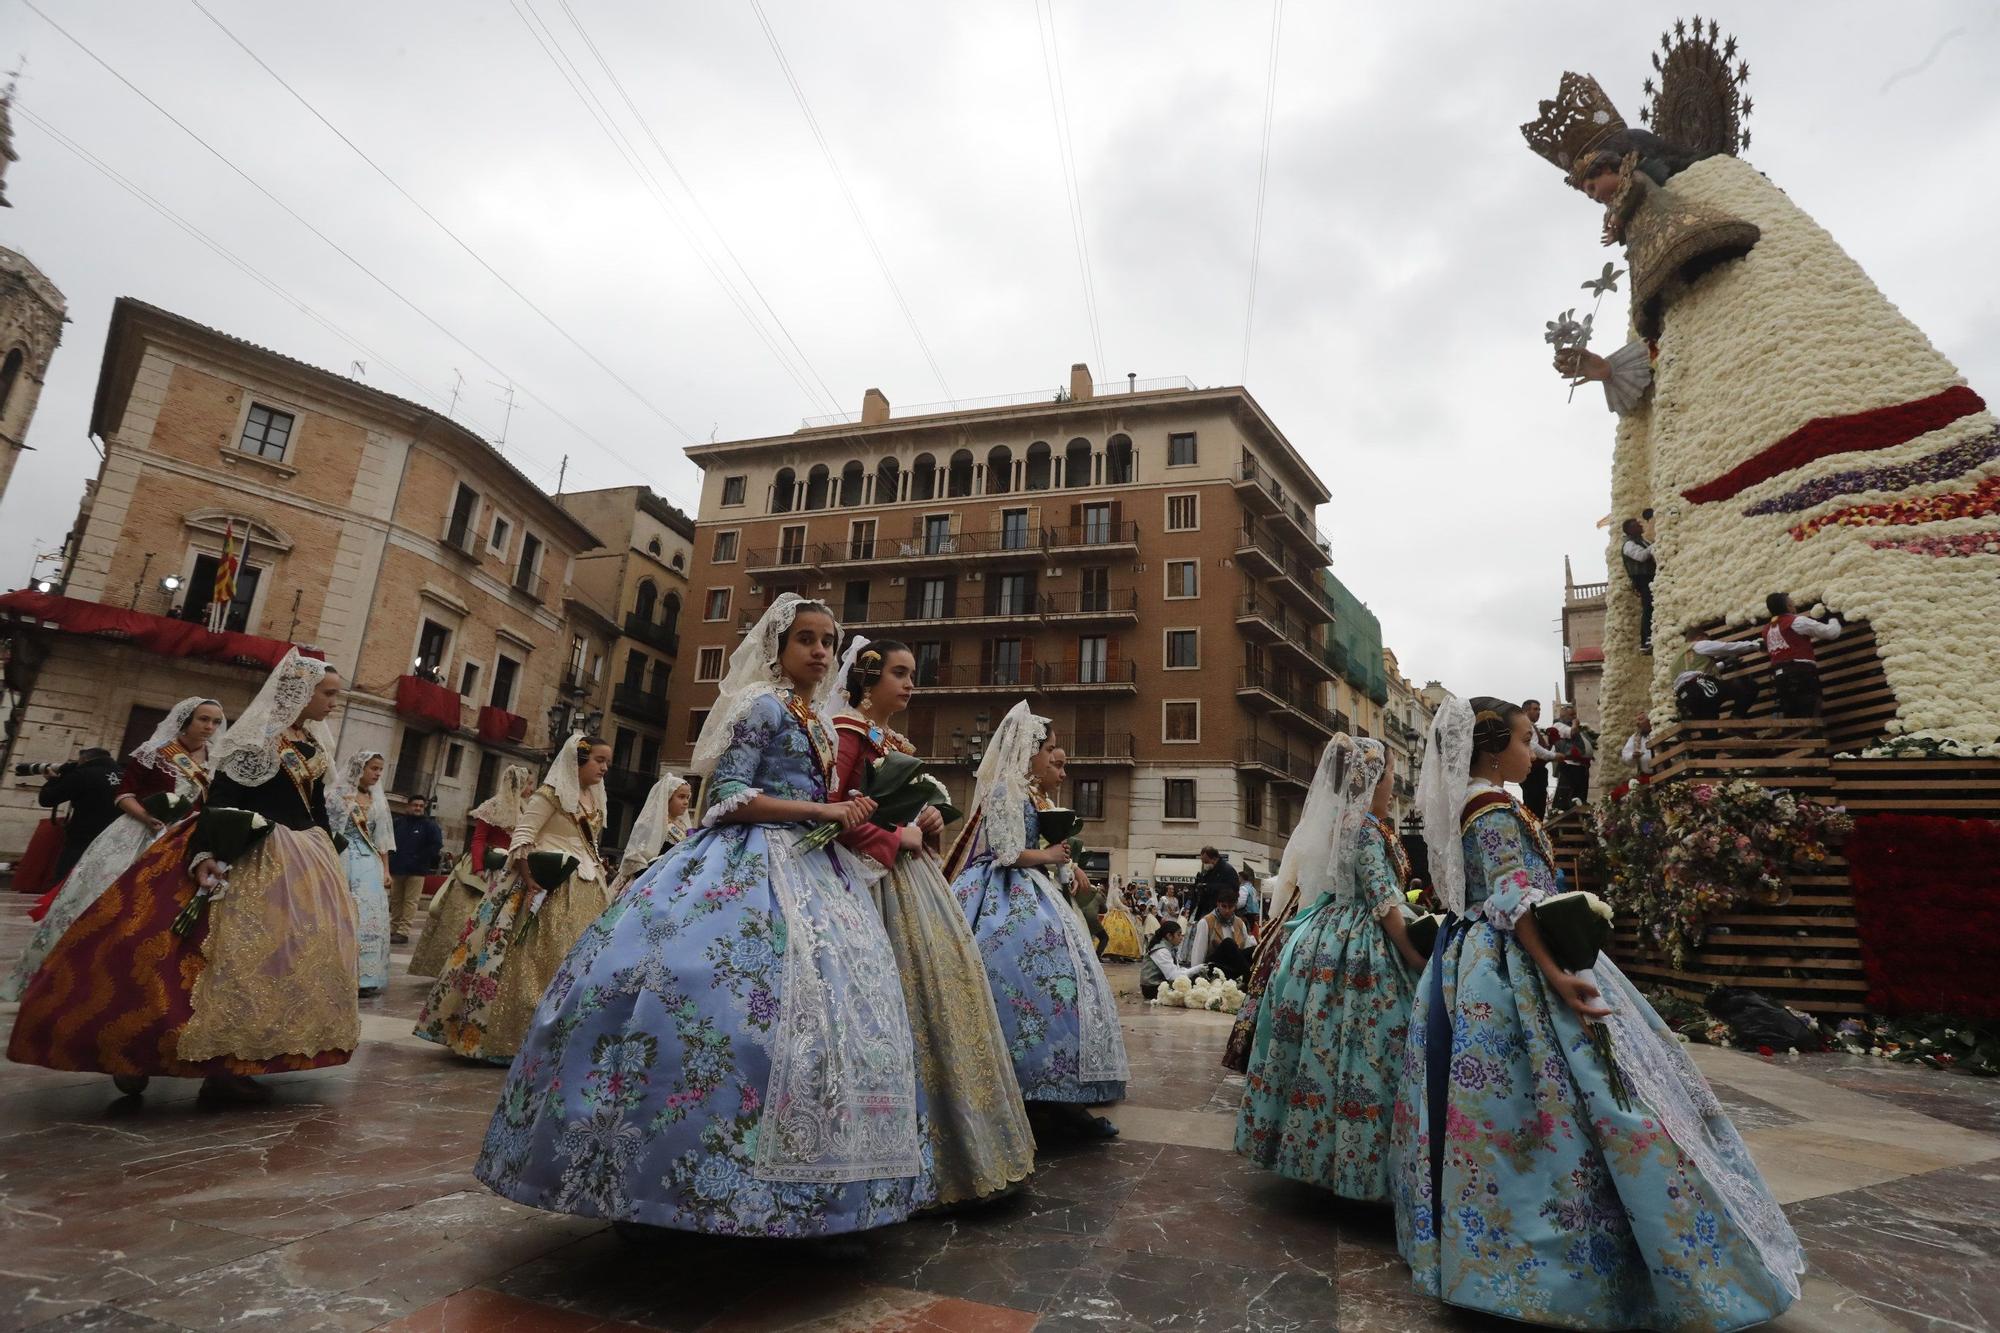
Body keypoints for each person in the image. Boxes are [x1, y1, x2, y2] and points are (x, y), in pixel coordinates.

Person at [475, 594, 933, 1236]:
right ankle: (658, 1182)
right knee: (710, 999)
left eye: (828, 641)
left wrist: (857, 810)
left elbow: (821, 795)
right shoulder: (761, 705)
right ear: (777, 647)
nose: (820, 651)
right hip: (744, 864)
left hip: (816, 875)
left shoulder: (820, 722)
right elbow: (730, 796)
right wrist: (823, 813)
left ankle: (820, 1185)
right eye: (806, 639)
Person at [1391, 694, 1804, 1328]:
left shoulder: (1474, 807)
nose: (1536, 752)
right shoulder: (1493, 806)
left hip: (1473, 965)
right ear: (1493, 748)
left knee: (1516, 1111)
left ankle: (1494, 1258)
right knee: (1597, 1097)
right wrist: (1558, 971)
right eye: (1527, 740)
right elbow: (1513, 897)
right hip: (1514, 962)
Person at [9, 651, 359, 1106]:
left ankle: (242, 1057)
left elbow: (312, 807)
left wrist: (328, 849)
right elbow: (225, 797)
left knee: (278, 960)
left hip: (300, 858)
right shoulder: (254, 741)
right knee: (196, 956)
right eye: (328, 693)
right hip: (248, 853)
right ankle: (135, 1049)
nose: (336, 701)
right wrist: (209, 852)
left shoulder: (311, 744)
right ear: (300, 693)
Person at [830, 636, 1036, 1208]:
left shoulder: (895, 741)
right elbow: (832, 813)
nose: (910, 683)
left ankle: (960, 1147)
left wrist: (927, 820)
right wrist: (897, 835)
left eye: (913, 674)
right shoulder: (846, 735)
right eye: (900, 673)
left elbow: (914, 810)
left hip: (913, 879)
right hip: (870, 885)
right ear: (867, 680)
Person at [1236, 736, 1423, 1199]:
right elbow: (1383, 902)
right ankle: (1355, 1165)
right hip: (1361, 944)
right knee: (1369, 1045)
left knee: (1329, 1046)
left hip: (1329, 934)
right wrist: (1418, 957)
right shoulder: (1361, 826)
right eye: (1390, 774)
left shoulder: (1359, 823)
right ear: (1373, 778)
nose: (1393, 784)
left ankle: (1320, 1154)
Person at [947, 701, 1128, 1140]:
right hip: (1003, 894)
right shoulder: (1007, 788)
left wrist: (1067, 865)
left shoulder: (1036, 795)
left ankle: (1061, 1091)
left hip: (1035, 890)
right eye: (1048, 748)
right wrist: (1048, 856)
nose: (1054, 757)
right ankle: (1029, 1091)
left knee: (1064, 982)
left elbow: (1051, 845)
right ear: (1028, 750)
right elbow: (1006, 851)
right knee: (1030, 981)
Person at [5, 698, 225, 1001]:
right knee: (102, 902)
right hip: (137, 834)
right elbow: (124, 794)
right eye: (203, 719)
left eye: (215, 722)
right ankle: (60, 978)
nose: (209, 727)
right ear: (186, 720)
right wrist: (147, 817)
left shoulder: (214, 761)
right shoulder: (154, 751)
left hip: (181, 840)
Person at [415, 734, 613, 1064]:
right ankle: (510, 1035)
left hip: (585, 886)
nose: (605, 767)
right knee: (531, 959)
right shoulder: (551, 794)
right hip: (547, 883)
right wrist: (529, 877)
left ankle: (563, 1036)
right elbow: (523, 835)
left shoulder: (593, 798)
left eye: (607, 761)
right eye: (599, 760)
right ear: (578, 760)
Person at [410, 764, 535, 977]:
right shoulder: (492, 806)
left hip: (512, 869)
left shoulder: (526, 809)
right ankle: (452, 969)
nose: (532, 788)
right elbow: (478, 840)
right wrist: (478, 867)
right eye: (530, 783)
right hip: (487, 868)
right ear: (519, 784)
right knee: (465, 918)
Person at [333, 750, 396, 994]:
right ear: (359, 767)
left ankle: (366, 976)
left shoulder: (378, 800)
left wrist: (386, 869)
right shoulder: (340, 795)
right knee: (345, 912)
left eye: (380, 769)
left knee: (371, 915)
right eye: (373, 768)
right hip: (342, 857)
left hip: (370, 863)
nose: (377, 774)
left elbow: (382, 838)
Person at [34, 745, 123, 886]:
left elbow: (47, 799)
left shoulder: (83, 774)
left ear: (85, 759)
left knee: (66, 877)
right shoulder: (124, 774)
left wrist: (52, 780)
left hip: (83, 834)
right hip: (117, 835)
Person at [1764, 593, 1842, 720]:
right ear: (1789, 606)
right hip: (1800, 673)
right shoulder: (1796, 621)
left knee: (1793, 716)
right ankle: (1813, 738)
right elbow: (1831, 633)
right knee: (1811, 711)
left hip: (1779, 678)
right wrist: (1832, 617)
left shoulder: (1767, 629)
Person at [611, 774, 693, 892]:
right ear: (667, 797)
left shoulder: (683, 826)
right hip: (647, 881)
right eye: (681, 797)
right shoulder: (652, 823)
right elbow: (636, 856)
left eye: (687, 797)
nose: (686, 802)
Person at [387, 795, 444, 945]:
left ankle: (403, 932)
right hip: (397, 868)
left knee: (410, 902)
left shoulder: (430, 826)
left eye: (420, 805)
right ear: (408, 806)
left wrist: (420, 858)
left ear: (424, 807)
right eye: (415, 805)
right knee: (395, 900)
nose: (417, 808)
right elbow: (389, 842)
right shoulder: (398, 823)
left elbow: (436, 845)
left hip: (416, 871)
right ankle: (393, 929)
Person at [1674, 631, 1761, 723]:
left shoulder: (1678, 657)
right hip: (1701, 688)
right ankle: (1736, 719)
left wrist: (1725, 663)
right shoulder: (1698, 644)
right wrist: (1756, 645)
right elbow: (1727, 648)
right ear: (1700, 638)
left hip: (1687, 698)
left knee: (1710, 728)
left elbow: (1694, 672)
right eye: (1708, 640)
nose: (1709, 642)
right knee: (1748, 686)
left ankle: (1710, 735)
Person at [1187, 892, 1253, 982]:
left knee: (1254, 949)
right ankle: (1250, 977)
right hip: (1214, 967)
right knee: (1228, 943)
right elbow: (1198, 952)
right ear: (1218, 904)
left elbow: (1246, 950)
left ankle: (1250, 977)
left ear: (1235, 906)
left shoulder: (1240, 923)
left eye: (1230, 907)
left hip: (1234, 967)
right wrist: (1196, 977)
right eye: (1224, 906)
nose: (1227, 910)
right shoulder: (1206, 922)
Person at [1549, 703, 1594, 811]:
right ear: (1563, 716)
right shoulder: (1558, 726)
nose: (1574, 717)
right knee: (1567, 797)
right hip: (1569, 765)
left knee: (1580, 797)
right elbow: (1571, 733)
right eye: (1571, 715)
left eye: (1575, 714)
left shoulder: (1577, 727)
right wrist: (1575, 724)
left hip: (1582, 766)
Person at [1620, 518, 1655, 652]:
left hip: (1649, 577)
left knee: (1651, 606)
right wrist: (1655, 545)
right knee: (1648, 607)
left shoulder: (1642, 541)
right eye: (1636, 525)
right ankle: (1646, 639)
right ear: (1630, 530)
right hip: (1643, 579)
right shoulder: (1628, 544)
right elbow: (1641, 556)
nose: (1640, 526)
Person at [1140, 921, 1198, 1000]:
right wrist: (1194, 970)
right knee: (1191, 987)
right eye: (1178, 934)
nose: (1181, 937)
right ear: (1169, 936)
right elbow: (1172, 976)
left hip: (1160, 984)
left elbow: (1176, 969)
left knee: (1194, 980)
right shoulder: (1161, 950)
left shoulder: (1169, 947)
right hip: (1152, 988)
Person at [1519, 700, 1557, 820]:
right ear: (1526, 711)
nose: (1538, 712)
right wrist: (1553, 756)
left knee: (1538, 806)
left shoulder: (1531, 726)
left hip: (1537, 772)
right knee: (1534, 807)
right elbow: (1533, 746)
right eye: (1535, 709)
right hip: (1533, 772)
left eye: (1539, 709)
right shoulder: (1527, 725)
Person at [1190, 845, 1236, 931]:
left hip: (1219, 911)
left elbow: (1231, 889)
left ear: (1214, 858)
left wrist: (1207, 887)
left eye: (1206, 861)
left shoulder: (1227, 870)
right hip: (1207, 908)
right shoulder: (1210, 871)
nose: (1204, 864)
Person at [1099, 878, 1143, 962]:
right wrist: (1126, 908)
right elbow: (1117, 903)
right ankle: (1116, 953)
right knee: (1120, 933)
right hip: (1116, 913)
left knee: (1118, 933)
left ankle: (1118, 954)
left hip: (1116, 912)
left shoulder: (1116, 891)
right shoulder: (1116, 891)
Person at [1620, 713, 1655, 777]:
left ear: (1649, 720)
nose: (1637, 723)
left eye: (1640, 719)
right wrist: (1632, 755)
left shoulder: (1658, 732)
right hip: (1646, 776)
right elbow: (1625, 754)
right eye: (1637, 721)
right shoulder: (1635, 737)